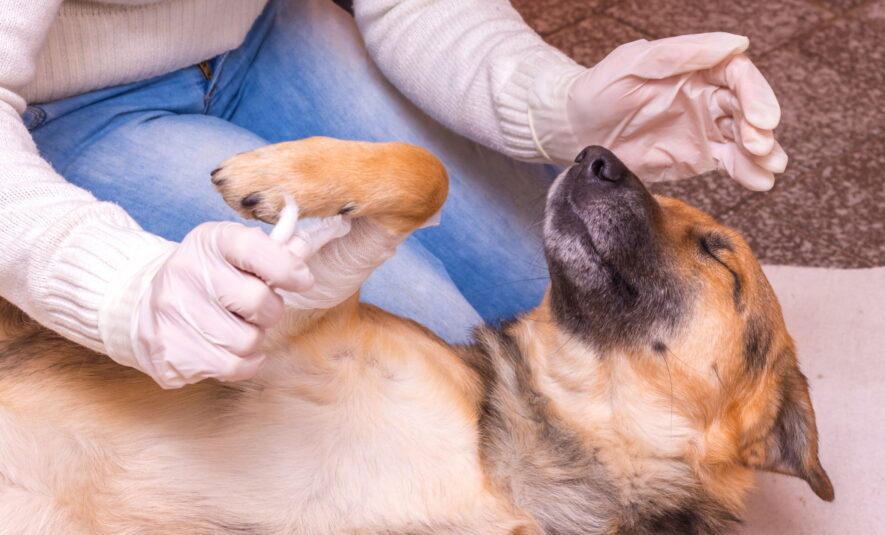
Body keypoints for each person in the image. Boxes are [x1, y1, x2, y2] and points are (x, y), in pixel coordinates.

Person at [0, 0, 786, 388]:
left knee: (555, 291)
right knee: (448, 377)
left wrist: (564, 104)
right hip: (67, 104)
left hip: (263, 34)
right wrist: (115, 286)